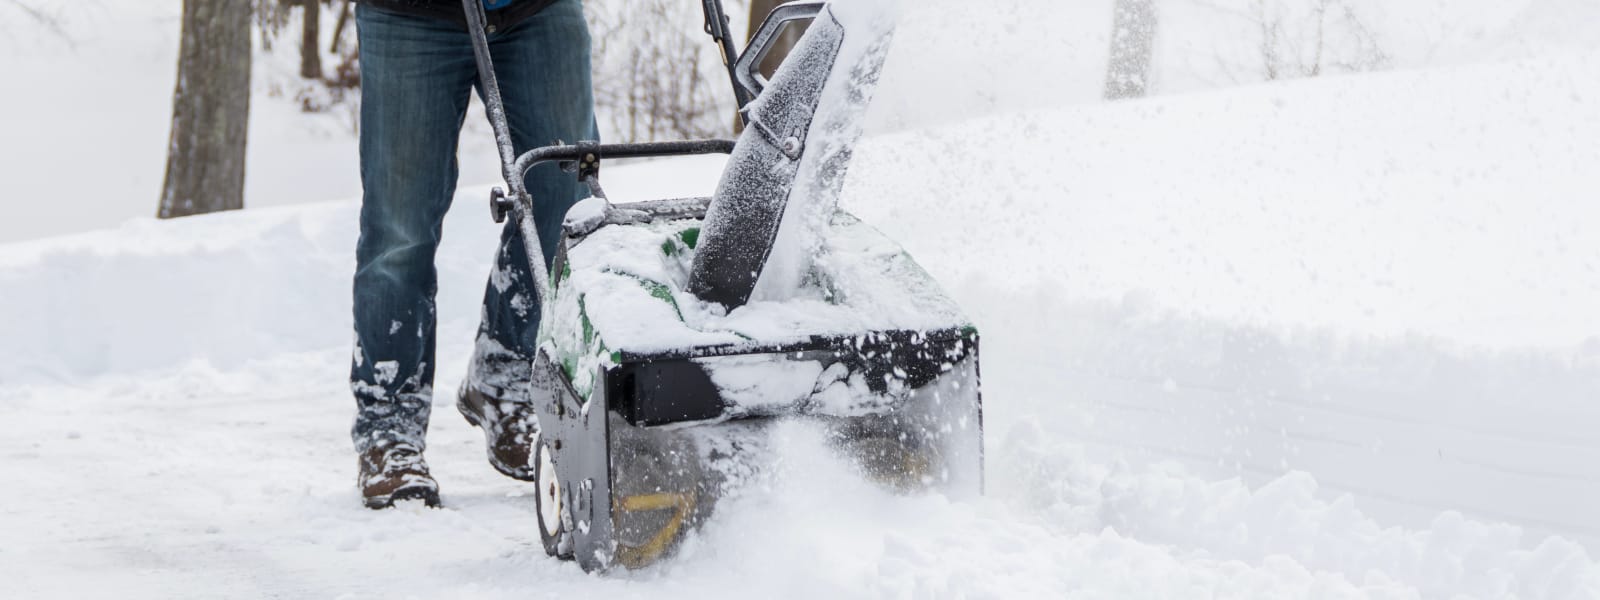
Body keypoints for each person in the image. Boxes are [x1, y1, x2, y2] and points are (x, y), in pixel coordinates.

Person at [348, 0, 596, 509]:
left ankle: (503, 378)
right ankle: (388, 426)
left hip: (535, 11)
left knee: (564, 201)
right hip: (409, 16)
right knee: (401, 230)